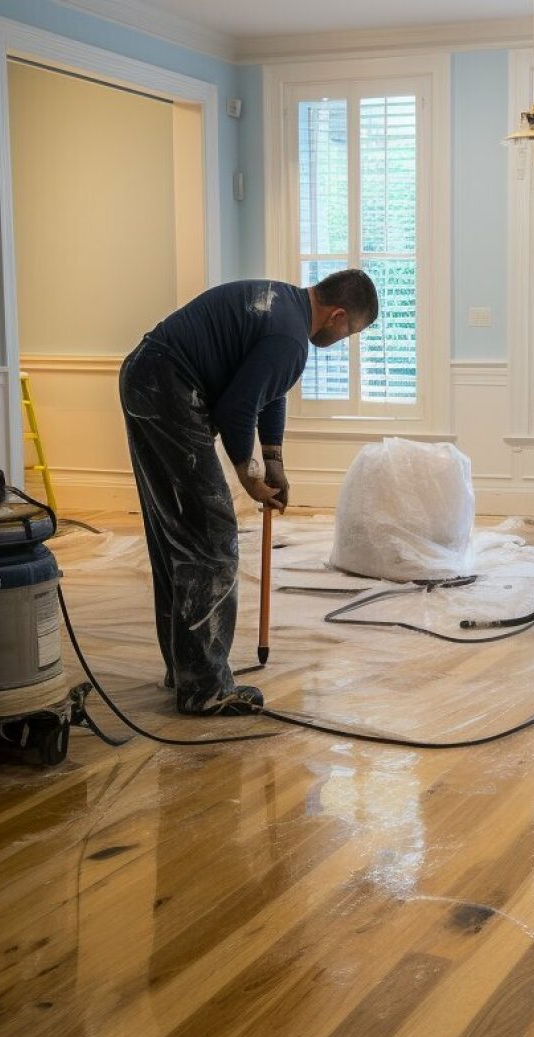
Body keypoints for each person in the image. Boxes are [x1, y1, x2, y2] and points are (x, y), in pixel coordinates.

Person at [119, 271, 378, 714]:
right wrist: (249, 476)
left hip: (147, 376)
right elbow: (238, 407)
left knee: (176, 533)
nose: (345, 338)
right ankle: (204, 688)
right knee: (210, 534)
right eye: (350, 330)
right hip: (168, 387)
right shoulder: (292, 338)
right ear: (337, 315)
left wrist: (274, 457)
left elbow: (268, 392)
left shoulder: (287, 312)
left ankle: (186, 669)